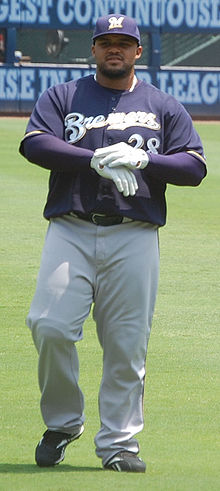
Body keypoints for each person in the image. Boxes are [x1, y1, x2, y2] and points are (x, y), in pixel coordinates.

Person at [19, 14, 206, 473]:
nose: (115, 49)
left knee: (126, 344)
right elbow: (35, 144)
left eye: (124, 43)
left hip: (135, 235)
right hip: (72, 228)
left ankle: (119, 445)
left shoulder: (163, 105)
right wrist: (94, 160)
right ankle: (64, 423)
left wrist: (147, 157)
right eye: (107, 42)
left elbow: (195, 167)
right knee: (49, 324)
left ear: (138, 51)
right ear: (94, 48)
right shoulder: (64, 95)